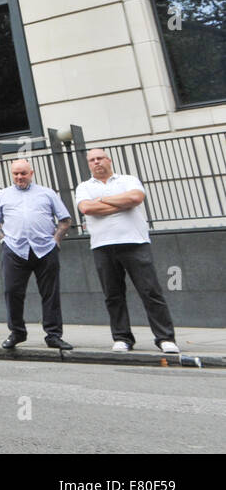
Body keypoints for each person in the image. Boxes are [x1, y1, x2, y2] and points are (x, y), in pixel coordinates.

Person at [74, 148, 178, 353]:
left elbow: (136, 198)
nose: (96, 162)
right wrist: (120, 202)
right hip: (102, 246)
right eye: (92, 160)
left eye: (100, 158)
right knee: (113, 295)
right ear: (88, 164)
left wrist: (102, 200)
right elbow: (86, 208)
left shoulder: (128, 179)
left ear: (109, 160)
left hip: (135, 242)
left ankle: (165, 338)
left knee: (150, 291)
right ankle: (122, 337)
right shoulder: (84, 186)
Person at [0, 159, 73, 350]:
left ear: (31, 173)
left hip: (45, 250)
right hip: (15, 250)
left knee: (50, 294)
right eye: (16, 174)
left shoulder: (47, 193)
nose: (19, 177)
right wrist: (3, 241)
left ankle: (53, 335)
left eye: (23, 173)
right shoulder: (2, 195)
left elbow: (65, 219)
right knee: (12, 292)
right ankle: (17, 332)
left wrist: (56, 240)